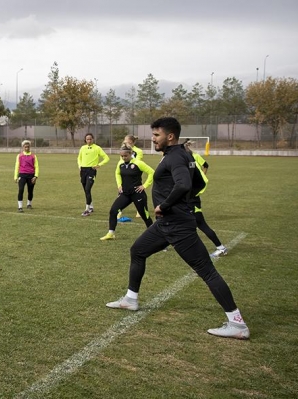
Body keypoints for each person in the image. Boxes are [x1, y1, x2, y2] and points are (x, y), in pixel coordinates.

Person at [106, 117, 249, 340]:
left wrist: (166, 204)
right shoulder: (184, 154)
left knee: (207, 271)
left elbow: (184, 184)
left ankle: (237, 323)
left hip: (177, 226)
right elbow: (199, 183)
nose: (153, 139)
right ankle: (131, 299)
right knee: (138, 250)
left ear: (169, 136)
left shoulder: (174, 157)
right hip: (167, 225)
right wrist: (184, 204)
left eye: (156, 135)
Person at [100, 144, 155, 240]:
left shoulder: (138, 163)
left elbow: (152, 172)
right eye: (122, 156)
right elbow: (117, 173)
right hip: (125, 193)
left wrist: (144, 186)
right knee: (113, 211)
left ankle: (156, 237)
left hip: (137, 193)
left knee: (144, 215)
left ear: (131, 154)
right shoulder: (120, 164)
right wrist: (119, 185)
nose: (123, 158)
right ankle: (111, 233)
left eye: (125, 156)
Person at [184, 140, 228, 258]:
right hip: (188, 200)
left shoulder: (191, 167)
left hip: (192, 201)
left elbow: (202, 181)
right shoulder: (188, 167)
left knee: (201, 224)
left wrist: (193, 194)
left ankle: (221, 248)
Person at [76, 132, 109, 216]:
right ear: (85, 140)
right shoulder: (83, 148)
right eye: (87, 139)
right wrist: (80, 166)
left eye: (90, 139)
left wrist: (99, 165)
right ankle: (91, 206)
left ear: (93, 139)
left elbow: (106, 158)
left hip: (91, 170)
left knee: (87, 189)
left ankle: (86, 210)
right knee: (86, 190)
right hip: (83, 170)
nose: (89, 140)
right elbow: (79, 158)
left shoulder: (97, 148)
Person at [14, 140, 39, 212]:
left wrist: (36, 176)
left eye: (28, 147)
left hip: (31, 175)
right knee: (21, 190)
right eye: (25, 147)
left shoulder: (33, 156)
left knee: (30, 191)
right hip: (22, 174)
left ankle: (29, 204)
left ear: (30, 147)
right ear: (23, 147)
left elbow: (36, 166)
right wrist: (15, 177)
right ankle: (20, 207)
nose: (27, 148)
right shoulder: (19, 156)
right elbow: (17, 166)